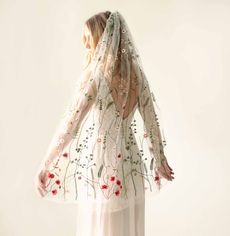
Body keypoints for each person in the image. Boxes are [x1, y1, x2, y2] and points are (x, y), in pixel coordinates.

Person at [34, 10, 174, 236]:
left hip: (102, 169)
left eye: (88, 38)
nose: (84, 43)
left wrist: (45, 164)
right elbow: (151, 121)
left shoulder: (95, 76)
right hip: (131, 168)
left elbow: (70, 125)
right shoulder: (136, 75)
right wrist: (159, 158)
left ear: (102, 38)